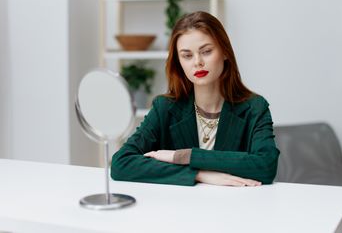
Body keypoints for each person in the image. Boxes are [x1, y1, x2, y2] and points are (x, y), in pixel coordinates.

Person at [111, 11, 279, 187]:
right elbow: (121, 163)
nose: (197, 62)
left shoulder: (254, 107)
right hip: (181, 209)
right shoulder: (165, 108)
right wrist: (198, 174)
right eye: (187, 55)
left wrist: (185, 156)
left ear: (225, 52)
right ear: (179, 62)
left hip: (235, 209)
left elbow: (266, 166)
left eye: (206, 51)